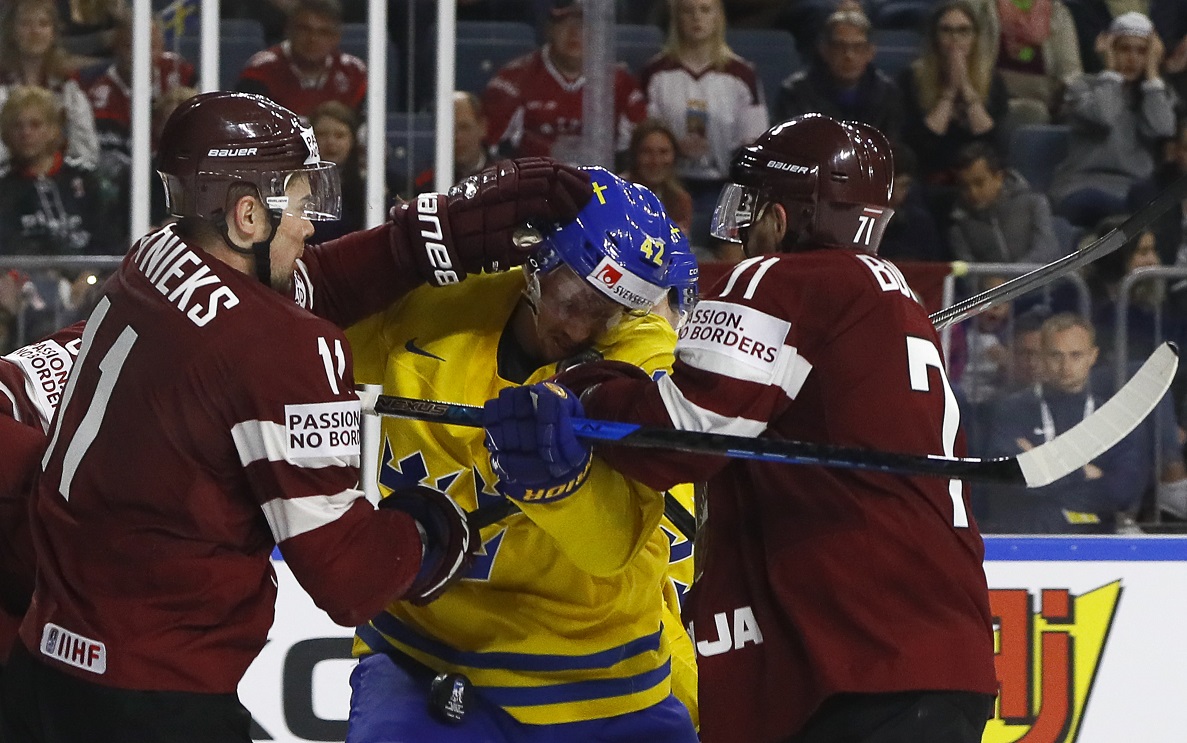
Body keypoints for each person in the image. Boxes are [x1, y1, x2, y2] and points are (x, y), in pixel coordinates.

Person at [0, 89, 594, 742]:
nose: (311, 224)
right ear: (248, 214)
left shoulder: (151, 262)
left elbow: (303, 291)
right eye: (303, 203)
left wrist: (420, 239)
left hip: (42, 670)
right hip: (155, 696)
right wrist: (434, 528)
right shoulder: (284, 349)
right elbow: (347, 577)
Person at [486, 113, 998, 742]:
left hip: (857, 664)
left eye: (753, 207)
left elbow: (687, 435)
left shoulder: (779, 280)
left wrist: (581, 388)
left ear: (781, 217)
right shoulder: (894, 302)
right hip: (930, 656)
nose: (743, 227)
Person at [343, 170, 700, 742]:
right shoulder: (433, 305)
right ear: (538, 262)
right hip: (424, 653)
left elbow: (611, 547)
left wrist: (562, 481)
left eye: (608, 311)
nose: (583, 327)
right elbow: (291, 332)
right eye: (575, 298)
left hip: (600, 670)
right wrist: (399, 248)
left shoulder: (642, 358)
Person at [976, 312, 1147, 533]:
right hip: (1027, 536)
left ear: (1092, 356)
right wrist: (1083, 473)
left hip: (1096, 539)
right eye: (1056, 356)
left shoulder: (1113, 416)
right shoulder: (1011, 411)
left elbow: (1124, 490)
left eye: (1075, 355)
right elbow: (1014, 479)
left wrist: (1044, 466)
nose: (1066, 366)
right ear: (1043, 357)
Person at [639, 0, 769, 248]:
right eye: (688, 11)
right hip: (666, 184)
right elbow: (645, 135)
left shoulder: (742, 74)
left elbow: (754, 143)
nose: (697, 18)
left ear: (718, 17)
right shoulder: (655, 73)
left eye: (705, 10)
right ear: (676, 18)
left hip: (723, 185)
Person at [1048, 11, 1176, 228]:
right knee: (1115, 209)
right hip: (1082, 185)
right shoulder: (1080, 87)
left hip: (1134, 190)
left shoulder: (1155, 94)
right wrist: (1110, 73)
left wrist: (1153, 74)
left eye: (1142, 51)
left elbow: (1162, 129)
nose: (1133, 59)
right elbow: (1104, 116)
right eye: (1124, 49)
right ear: (1110, 49)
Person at [482, 0, 647, 164]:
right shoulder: (513, 81)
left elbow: (642, 148)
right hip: (534, 184)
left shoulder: (620, 83)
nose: (574, 32)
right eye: (564, 23)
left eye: (584, 24)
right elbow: (491, 150)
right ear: (549, 29)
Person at [899, 0, 1009, 192]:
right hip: (929, 177)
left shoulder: (993, 80)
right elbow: (919, 147)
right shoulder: (910, 79)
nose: (955, 39)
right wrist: (949, 93)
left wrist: (966, 89)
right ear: (935, 37)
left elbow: (992, 143)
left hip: (978, 180)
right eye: (946, 31)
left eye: (963, 31)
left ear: (974, 37)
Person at [776, 9, 905, 144]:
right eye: (840, 46)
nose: (849, 56)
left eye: (858, 47)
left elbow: (891, 144)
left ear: (870, 52)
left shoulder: (887, 92)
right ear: (824, 50)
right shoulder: (796, 92)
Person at [0, 0, 99, 170]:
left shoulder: (68, 88)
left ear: (54, 33)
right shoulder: (2, 85)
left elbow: (86, 153)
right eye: (25, 23)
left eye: (43, 24)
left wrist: (57, 171)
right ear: (12, 31)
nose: (35, 31)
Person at [236, 0, 366, 119]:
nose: (313, 39)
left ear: (337, 37)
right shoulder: (262, 70)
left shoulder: (353, 72)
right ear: (288, 30)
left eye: (323, 32)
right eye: (305, 30)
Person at [966, 0, 1082, 125]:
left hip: (1049, 102)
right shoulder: (983, 8)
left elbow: (1071, 72)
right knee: (1033, 113)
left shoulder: (1057, 13)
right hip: (992, 99)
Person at [948, 141, 1061, 264]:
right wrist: (983, 282)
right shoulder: (959, 225)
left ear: (999, 178)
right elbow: (968, 273)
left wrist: (1011, 279)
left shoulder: (1034, 203)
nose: (972, 193)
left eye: (979, 183)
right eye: (965, 187)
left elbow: (1047, 250)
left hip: (1041, 281)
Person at [620, 118, 693, 240]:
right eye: (647, 152)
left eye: (663, 152)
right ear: (634, 156)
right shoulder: (616, 193)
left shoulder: (681, 201)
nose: (656, 161)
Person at [308, 100, 364, 242]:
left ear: (352, 140)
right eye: (322, 134)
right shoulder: (296, 183)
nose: (331, 142)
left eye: (339, 135)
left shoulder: (368, 186)